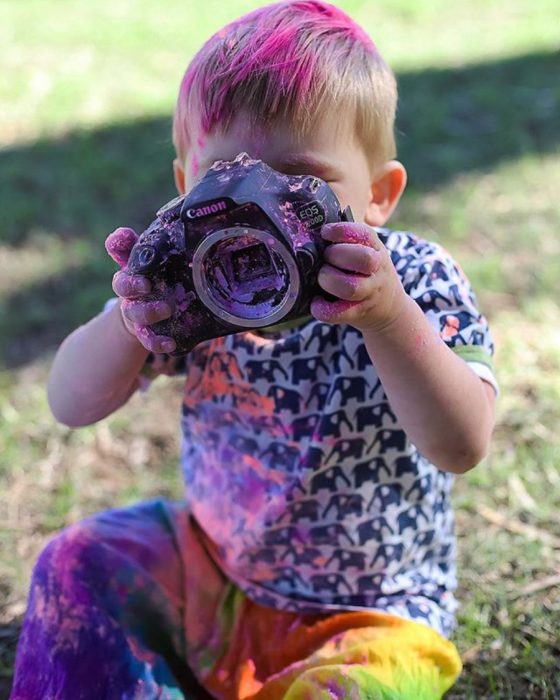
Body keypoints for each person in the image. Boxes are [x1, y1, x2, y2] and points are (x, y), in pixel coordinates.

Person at [10, 1, 498, 698]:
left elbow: (463, 444)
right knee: (77, 560)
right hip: (216, 574)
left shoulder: (414, 279)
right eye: (226, 177)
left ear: (379, 196)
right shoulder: (192, 278)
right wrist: (130, 320)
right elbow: (69, 402)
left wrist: (389, 319)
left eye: (301, 183)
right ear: (186, 186)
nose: (260, 208)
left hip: (369, 615)